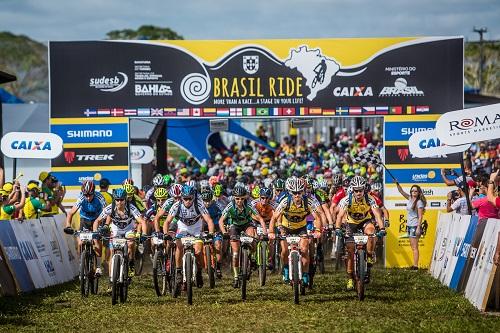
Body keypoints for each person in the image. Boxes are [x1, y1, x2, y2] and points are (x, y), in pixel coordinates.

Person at [157, 185, 214, 289]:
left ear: (193, 197)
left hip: (196, 229)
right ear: (182, 197)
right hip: (183, 229)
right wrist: (166, 234)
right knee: (178, 246)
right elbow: (167, 222)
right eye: (185, 198)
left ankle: (199, 272)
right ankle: (178, 271)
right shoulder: (176, 206)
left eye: (190, 198)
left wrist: (210, 233)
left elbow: (209, 220)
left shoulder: (199, 204)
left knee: (198, 252)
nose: (187, 201)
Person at [269, 176, 321, 286]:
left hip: (301, 228)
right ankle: (286, 268)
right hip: (286, 228)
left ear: (303, 192)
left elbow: (317, 217)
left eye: (299, 192)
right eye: (294, 193)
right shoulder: (285, 202)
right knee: (284, 251)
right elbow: (274, 218)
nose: (297, 195)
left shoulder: (308, 202)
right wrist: (272, 232)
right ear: (290, 193)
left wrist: (317, 230)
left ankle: (306, 274)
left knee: (304, 250)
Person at [336, 176, 385, 290]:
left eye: (360, 190)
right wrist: (338, 228)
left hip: (365, 221)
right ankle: (349, 278)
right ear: (352, 190)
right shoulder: (346, 199)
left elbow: (377, 215)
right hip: (351, 224)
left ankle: (369, 255)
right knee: (350, 251)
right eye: (356, 190)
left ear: (364, 189)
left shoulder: (370, 199)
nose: (358, 193)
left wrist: (382, 228)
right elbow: (339, 215)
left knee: (371, 232)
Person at [219, 185, 267, 288]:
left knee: (253, 237)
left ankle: (252, 257)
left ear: (245, 198)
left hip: (247, 225)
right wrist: (224, 233)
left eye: (242, 198)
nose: (239, 201)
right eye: (237, 198)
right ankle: (236, 277)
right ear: (233, 198)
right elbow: (221, 221)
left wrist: (265, 233)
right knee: (235, 254)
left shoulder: (249, 205)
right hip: (234, 226)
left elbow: (260, 219)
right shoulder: (230, 206)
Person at [98, 188, 147, 277]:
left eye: (121, 200)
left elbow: (142, 221)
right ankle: (110, 280)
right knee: (112, 252)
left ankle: (131, 262)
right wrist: (97, 231)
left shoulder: (131, 207)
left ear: (125, 199)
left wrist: (143, 234)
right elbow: (97, 220)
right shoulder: (110, 207)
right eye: (117, 200)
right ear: (114, 200)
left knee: (131, 243)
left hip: (128, 228)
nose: (119, 202)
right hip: (116, 229)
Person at [396, 182, 426, 270]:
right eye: (412, 190)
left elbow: (420, 216)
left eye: (415, 191)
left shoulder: (419, 202)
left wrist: (418, 228)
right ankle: (415, 265)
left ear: (419, 193)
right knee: (413, 247)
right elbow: (401, 191)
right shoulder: (410, 198)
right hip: (410, 225)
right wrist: (397, 184)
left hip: (415, 226)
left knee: (414, 247)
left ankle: (415, 266)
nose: (413, 192)